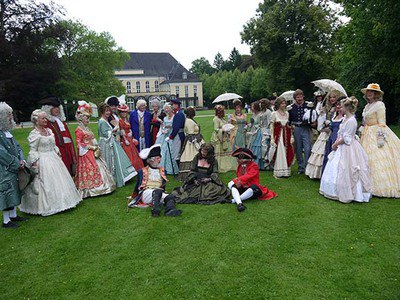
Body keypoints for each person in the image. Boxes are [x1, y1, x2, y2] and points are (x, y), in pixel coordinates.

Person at [20, 110, 82, 216]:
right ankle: (46, 206)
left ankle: (64, 201)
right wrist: (34, 163)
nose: (45, 120)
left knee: (61, 181)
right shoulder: (34, 134)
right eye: (43, 118)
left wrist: (57, 153)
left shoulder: (49, 130)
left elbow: (54, 145)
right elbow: (33, 150)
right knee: (44, 184)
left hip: (53, 158)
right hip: (43, 159)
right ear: (36, 120)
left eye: (46, 118)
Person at [320, 97, 372, 203]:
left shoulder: (352, 121)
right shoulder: (345, 119)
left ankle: (349, 191)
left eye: (342, 107)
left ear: (347, 108)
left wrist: (335, 144)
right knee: (337, 167)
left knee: (347, 168)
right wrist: (337, 142)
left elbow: (347, 138)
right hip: (342, 145)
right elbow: (342, 134)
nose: (340, 108)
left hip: (348, 148)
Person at [359, 83, 400, 198]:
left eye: (372, 92)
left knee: (378, 159)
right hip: (366, 134)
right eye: (368, 92)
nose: (369, 93)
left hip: (376, 134)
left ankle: (380, 185)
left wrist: (380, 138)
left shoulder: (380, 105)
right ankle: (364, 183)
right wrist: (361, 128)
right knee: (364, 157)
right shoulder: (367, 106)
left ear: (376, 94)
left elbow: (382, 123)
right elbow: (364, 120)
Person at [74, 101, 116, 198]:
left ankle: (102, 187)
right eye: (86, 117)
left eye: (88, 118)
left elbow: (92, 138)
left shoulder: (87, 128)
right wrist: (91, 147)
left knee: (99, 167)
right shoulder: (78, 130)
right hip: (85, 154)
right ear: (81, 118)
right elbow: (79, 144)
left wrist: (96, 146)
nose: (88, 119)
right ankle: (89, 190)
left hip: (93, 152)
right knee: (91, 168)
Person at [128, 144, 182, 217]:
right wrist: (133, 196)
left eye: (160, 158)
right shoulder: (143, 171)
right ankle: (155, 210)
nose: (160, 160)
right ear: (151, 160)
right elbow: (138, 185)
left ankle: (170, 210)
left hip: (158, 193)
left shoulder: (162, 171)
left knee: (170, 196)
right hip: (146, 193)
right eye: (157, 158)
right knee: (158, 191)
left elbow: (162, 186)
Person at [0, 102, 28, 228]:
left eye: (10, 114)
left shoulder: (7, 132)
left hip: (14, 168)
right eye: (8, 115)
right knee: (6, 192)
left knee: (15, 191)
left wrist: (22, 160)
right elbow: (2, 153)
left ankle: (13, 215)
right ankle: (6, 221)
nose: (11, 117)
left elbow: (18, 147)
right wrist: (16, 163)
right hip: (4, 169)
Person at [98, 103, 137, 187]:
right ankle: (111, 178)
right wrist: (114, 129)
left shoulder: (105, 121)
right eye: (106, 111)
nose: (108, 113)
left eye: (109, 111)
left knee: (118, 159)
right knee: (110, 160)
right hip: (106, 144)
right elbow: (105, 134)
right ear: (102, 112)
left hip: (111, 142)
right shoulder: (101, 121)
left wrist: (115, 131)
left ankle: (120, 176)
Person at [228, 148, 277, 212]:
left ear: (244, 159)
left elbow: (248, 176)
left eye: (239, 159)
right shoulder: (240, 166)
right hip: (244, 186)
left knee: (253, 187)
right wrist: (237, 181)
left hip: (253, 188)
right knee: (233, 186)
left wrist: (237, 179)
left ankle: (233, 200)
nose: (237, 160)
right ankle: (239, 203)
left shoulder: (254, 166)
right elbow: (240, 177)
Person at [305, 90, 340, 179]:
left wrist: (330, 122)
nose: (332, 99)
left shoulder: (339, 107)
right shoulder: (325, 107)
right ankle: (318, 173)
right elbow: (321, 119)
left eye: (334, 97)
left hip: (333, 130)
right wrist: (322, 117)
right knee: (320, 151)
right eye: (330, 97)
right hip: (325, 130)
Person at [40, 96, 76, 176]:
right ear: (48, 109)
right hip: (59, 150)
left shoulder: (61, 121)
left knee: (70, 169)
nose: (57, 109)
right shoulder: (48, 123)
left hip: (68, 149)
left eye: (58, 107)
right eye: (54, 107)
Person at [268, 97, 295, 178]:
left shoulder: (287, 113)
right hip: (278, 136)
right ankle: (279, 171)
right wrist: (272, 138)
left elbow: (287, 125)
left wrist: (292, 135)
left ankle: (285, 171)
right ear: (278, 104)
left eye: (284, 103)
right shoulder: (274, 114)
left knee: (287, 151)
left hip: (286, 135)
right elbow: (271, 127)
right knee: (279, 152)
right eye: (282, 103)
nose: (284, 105)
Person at [288, 89, 312, 174]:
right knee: (298, 149)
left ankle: (307, 167)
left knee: (307, 148)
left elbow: (313, 116)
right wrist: (291, 126)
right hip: (296, 129)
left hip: (306, 128)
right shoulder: (291, 108)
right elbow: (289, 120)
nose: (299, 98)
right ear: (295, 98)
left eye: (301, 96)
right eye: (297, 97)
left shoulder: (308, 105)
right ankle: (301, 167)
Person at [178, 107, 204, 180]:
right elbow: (191, 134)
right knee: (191, 155)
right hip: (192, 142)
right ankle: (192, 174)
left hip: (195, 139)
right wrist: (197, 143)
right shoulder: (189, 121)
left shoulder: (190, 120)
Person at [118, 103, 144, 172]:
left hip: (130, 138)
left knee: (134, 154)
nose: (124, 114)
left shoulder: (127, 119)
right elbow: (121, 131)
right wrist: (125, 139)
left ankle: (136, 169)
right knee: (128, 155)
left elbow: (129, 128)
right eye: (122, 112)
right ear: (120, 113)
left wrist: (131, 133)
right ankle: (130, 171)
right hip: (125, 140)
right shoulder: (120, 120)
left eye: (125, 112)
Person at [210, 105, 237, 173]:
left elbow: (225, 125)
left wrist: (229, 125)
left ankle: (228, 165)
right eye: (223, 112)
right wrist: (223, 130)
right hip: (219, 137)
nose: (224, 113)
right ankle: (220, 166)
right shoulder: (216, 119)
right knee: (220, 151)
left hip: (225, 136)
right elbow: (216, 129)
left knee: (227, 151)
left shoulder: (222, 118)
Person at [155, 103, 179, 175]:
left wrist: (169, 128)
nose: (166, 110)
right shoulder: (165, 118)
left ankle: (172, 169)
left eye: (167, 108)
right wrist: (163, 129)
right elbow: (163, 127)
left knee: (171, 152)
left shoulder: (175, 117)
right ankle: (163, 167)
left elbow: (175, 127)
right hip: (165, 136)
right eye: (165, 109)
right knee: (163, 151)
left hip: (172, 135)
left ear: (171, 109)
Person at [322, 100, 344, 174]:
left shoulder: (345, 117)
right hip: (331, 138)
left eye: (340, 105)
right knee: (329, 156)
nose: (338, 107)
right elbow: (331, 128)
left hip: (339, 139)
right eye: (337, 105)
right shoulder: (334, 116)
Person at [166, 99, 186, 165]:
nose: (171, 106)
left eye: (172, 105)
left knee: (177, 153)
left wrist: (170, 136)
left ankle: (180, 171)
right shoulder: (178, 113)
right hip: (179, 134)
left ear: (176, 105)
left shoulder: (178, 114)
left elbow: (176, 127)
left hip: (178, 135)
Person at [247, 101, 264, 170]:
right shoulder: (253, 115)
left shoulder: (260, 115)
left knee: (257, 146)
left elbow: (261, 124)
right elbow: (252, 123)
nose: (251, 108)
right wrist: (248, 125)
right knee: (251, 145)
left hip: (258, 132)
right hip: (252, 131)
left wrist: (256, 128)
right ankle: (252, 163)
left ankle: (258, 164)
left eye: (253, 106)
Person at [259, 98, 272, 169]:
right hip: (261, 130)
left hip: (266, 130)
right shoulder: (262, 111)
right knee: (262, 146)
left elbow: (269, 123)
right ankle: (262, 164)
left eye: (261, 103)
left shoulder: (268, 112)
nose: (260, 105)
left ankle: (267, 163)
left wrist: (268, 132)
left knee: (265, 146)